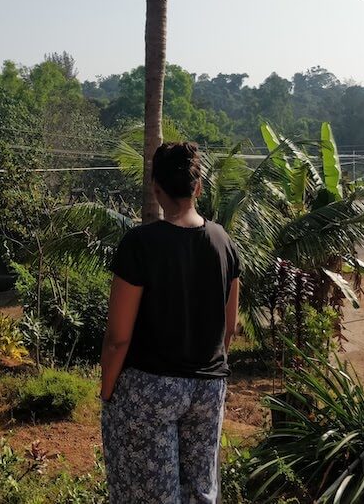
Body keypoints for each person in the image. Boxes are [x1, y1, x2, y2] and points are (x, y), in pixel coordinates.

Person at [100, 142, 241, 503]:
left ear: (156, 188)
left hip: (150, 390)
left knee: (150, 495)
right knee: (200, 492)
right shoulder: (223, 241)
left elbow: (118, 338)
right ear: (198, 187)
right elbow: (229, 327)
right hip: (208, 389)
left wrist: (107, 391)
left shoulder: (140, 243)